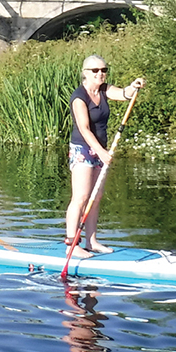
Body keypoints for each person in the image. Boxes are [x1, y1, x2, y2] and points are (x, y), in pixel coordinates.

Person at [65, 56, 144, 256]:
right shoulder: (79, 97)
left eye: (104, 69)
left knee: (96, 196)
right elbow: (83, 129)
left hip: (101, 149)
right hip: (83, 149)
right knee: (81, 197)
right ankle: (71, 246)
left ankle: (91, 241)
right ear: (85, 73)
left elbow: (124, 94)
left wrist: (133, 87)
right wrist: (100, 151)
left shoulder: (104, 89)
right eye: (95, 70)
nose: (100, 73)